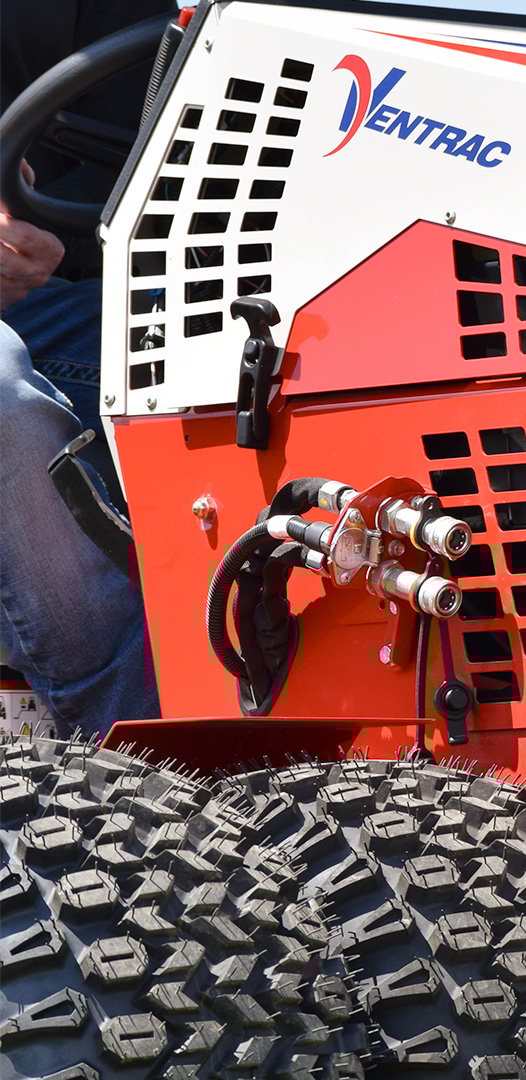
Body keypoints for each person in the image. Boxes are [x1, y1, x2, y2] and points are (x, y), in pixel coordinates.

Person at [1, 0, 176, 738]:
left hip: (47, 295)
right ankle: (131, 753)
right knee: (6, 399)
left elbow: (135, 150)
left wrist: (39, 231)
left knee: (265, 358)